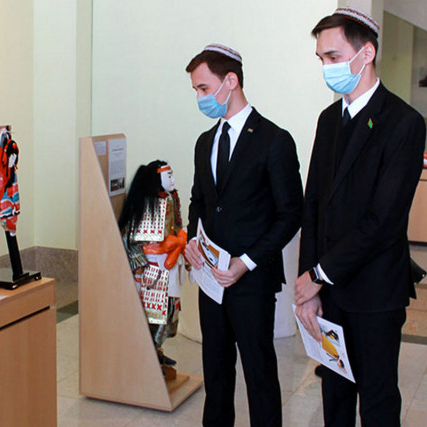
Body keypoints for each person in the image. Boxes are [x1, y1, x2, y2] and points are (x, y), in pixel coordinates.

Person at [294, 7, 426, 427]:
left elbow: (383, 222)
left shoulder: (403, 122)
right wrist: (308, 286)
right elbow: (313, 205)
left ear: (366, 53)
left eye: (333, 57)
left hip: (374, 293)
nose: (326, 68)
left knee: (377, 399)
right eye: (322, 59)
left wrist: (318, 274)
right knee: (334, 395)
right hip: (329, 292)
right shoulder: (328, 120)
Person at [184, 44, 303, 426]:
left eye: (204, 88)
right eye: (196, 90)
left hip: (251, 280)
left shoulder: (274, 140)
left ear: (230, 81)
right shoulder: (205, 142)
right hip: (211, 280)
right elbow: (199, 201)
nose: (200, 97)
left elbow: (291, 214)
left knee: (259, 373)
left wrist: (246, 262)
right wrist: (191, 240)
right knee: (216, 373)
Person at [118, 160, 187, 370]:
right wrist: (139, 265)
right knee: (154, 314)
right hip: (151, 268)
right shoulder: (146, 205)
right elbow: (130, 239)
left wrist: (181, 245)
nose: (173, 180)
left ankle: (157, 351)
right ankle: (147, 357)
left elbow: (176, 227)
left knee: (170, 311)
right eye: (169, 176)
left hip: (170, 263)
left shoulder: (171, 199)